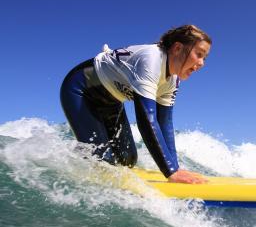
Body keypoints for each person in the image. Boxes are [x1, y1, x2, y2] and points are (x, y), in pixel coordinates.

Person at [60, 24, 211, 184]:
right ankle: (69, 159)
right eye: (199, 54)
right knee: (104, 164)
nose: (202, 63)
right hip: (81, 90)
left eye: (204, 58)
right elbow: (146, 120)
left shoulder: (173, 81)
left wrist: (175, 167)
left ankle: (83, 152)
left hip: (112, 102)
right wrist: (171, 172)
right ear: (178, 48)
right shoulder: (152, 59)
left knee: (128, 160)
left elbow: (164, 123)